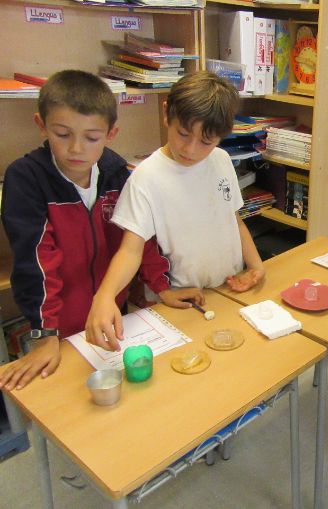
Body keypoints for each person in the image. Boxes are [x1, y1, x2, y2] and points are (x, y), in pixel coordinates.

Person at [0, 70, 172, 391]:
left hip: (111, 313)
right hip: (57, 326)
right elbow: (35, 263)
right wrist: (45, 335)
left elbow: (139, 239)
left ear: (111, 133)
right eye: (62, 134)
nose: (76, 148)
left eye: (92, 138)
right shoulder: (26, 179)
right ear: (41, 125)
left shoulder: (117, 175)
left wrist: (162, 287)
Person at [86, 71, 264, 351]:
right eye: (183, 133)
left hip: (226, 289)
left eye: (206, 141)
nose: (190, 149)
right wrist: (105, 296)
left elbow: (234, 220)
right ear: (167, 112)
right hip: (181, 301)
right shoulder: (146, 178)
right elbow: (130, 251)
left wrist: (256, 266)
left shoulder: (221, 161)